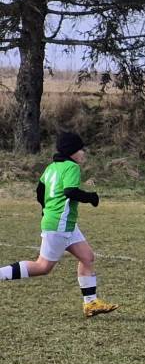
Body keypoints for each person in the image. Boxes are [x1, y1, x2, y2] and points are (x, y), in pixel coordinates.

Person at [0, 131, 118, 317]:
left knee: (87, 257)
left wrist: (45, 209)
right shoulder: (72, 167)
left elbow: (40, 191)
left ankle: (91, 303)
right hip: (59, 224)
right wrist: (91, 197)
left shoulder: (52, 167)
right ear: (72, 151)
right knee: (42, 267)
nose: (83, 153)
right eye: (81, 149)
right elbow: (70, 191)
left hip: (66, 224)